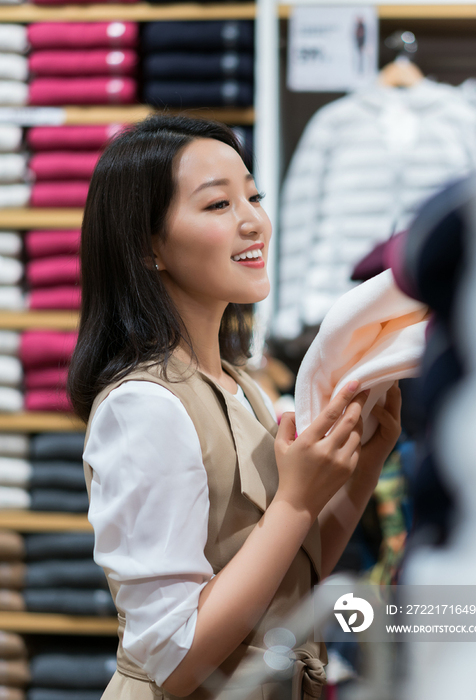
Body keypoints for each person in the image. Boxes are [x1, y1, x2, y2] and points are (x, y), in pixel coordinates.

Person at [67, 114, 401, 700]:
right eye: (218, 205)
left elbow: (290, 571)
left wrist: (360, 468)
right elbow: (175, 659)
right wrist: (297, 499)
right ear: (149, 247)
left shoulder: (241, 385)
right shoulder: (143, 406)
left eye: (253, 196)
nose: (254, 223)